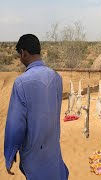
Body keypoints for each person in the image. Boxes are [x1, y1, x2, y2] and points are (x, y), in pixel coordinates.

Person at [4, 34, 69, 179]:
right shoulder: (56, 78)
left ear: (23, 53)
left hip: (34, 153)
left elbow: (15, 124)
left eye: (19, 55)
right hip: (52, 150)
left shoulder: (21, 83)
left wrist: (9, 154)